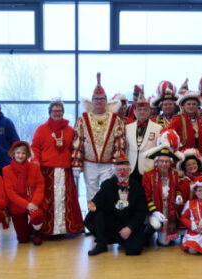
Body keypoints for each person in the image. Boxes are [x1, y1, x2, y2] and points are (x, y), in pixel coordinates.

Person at [31, 100, 84, 237]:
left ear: (63, 112)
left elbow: (75, 148)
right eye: (54, 111)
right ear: (50, 112)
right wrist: (35, 161)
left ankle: (64, 229)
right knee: (48, 200)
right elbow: (35, 147)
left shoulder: (70, 130)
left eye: (59, 111)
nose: (57, 113)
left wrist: (77, 165)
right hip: (47, 171)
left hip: (65, 170)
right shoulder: (41, 129)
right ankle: (46, 228)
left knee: (65, 200)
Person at [72, 73, 126, 202]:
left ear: (106, 101)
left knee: (109, 193)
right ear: (92, 101)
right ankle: (93, 221)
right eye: (96, 99)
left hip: (108, 165)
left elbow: (120, 142)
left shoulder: (115, 120)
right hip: (89, 164)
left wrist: (116, 163)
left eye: (102, 99)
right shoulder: (83, 119)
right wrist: (76, 164)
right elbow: (77, 142)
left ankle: (107, 221)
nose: (99, 101)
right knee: (91, 194)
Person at [84, 155, 147, 256]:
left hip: (128, 223)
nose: (122, 173)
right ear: (115, 171)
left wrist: (129, 228)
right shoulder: (107, 184)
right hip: (113, 223)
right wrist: (94, 206)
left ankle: (123, 240)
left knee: (134, 251)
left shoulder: (138, 187)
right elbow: (98, 199)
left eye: (125, 170)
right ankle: (101, 244)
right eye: (119, 170)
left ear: (130, 170)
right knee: (97, 213)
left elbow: (141, 211)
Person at [142, 141, 190, 246]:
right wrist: (154, 211)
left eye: (167, 162)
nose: (164, 164)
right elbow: (146, 195)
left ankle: (164, 235)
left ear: (170, 162)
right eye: (161, 161)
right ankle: (144, 239)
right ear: (157, 162)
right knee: (155, 224)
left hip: (169, 207)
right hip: (154, 207)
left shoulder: (174, 173)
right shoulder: (148, 174)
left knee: (164, 243)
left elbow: (177, 188)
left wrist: (178, 196)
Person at [3, 141, 45, 245]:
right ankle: (29, 229)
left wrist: (34, 202)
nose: (20, 155)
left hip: (33, 202)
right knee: (22, 239)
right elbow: (10, 192)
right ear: (13, 154)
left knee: (37, 216)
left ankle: (36, 232)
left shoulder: (34, 167)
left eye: (23, 153)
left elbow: (40, 185)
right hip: (18, 205)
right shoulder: (6, 170)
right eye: (18, 153)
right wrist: (26, 204)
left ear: (27, 155)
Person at [126, 93, 162, 184]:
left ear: (149, 111)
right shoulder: (127, 128)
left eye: (145, 110)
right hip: (131, 168)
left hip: (149, 168)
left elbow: (159, 150)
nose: (142, 112)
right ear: (135, 111)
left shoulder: (158, 128)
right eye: (139, 109)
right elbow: (126, 149)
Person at [165, 90, 202, 161]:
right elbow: (166, 135)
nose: (191, 106)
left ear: (197, 106)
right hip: (183, 158)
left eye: (194, 104)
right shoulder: (178, 119)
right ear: (184, 106)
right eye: (188, 104)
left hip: (200, 157)